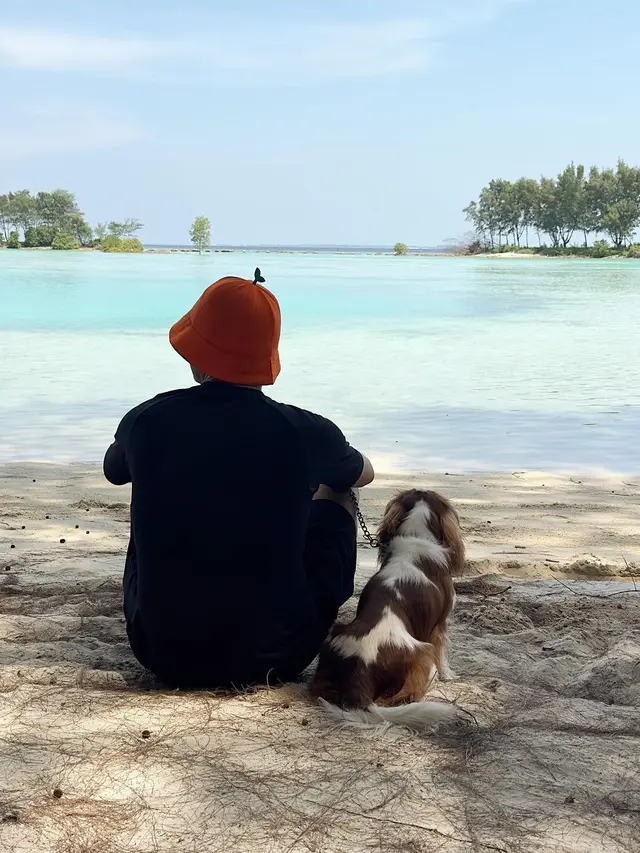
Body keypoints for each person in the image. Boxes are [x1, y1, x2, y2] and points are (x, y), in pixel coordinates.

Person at [104, 269, 374, 688]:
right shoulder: (306, 431)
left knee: (154, 490)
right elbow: (364, 474)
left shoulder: (148, 419)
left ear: (196, 355)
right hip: (281, 653)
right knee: (337, 486)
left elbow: (114, 471)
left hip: (162, 652)